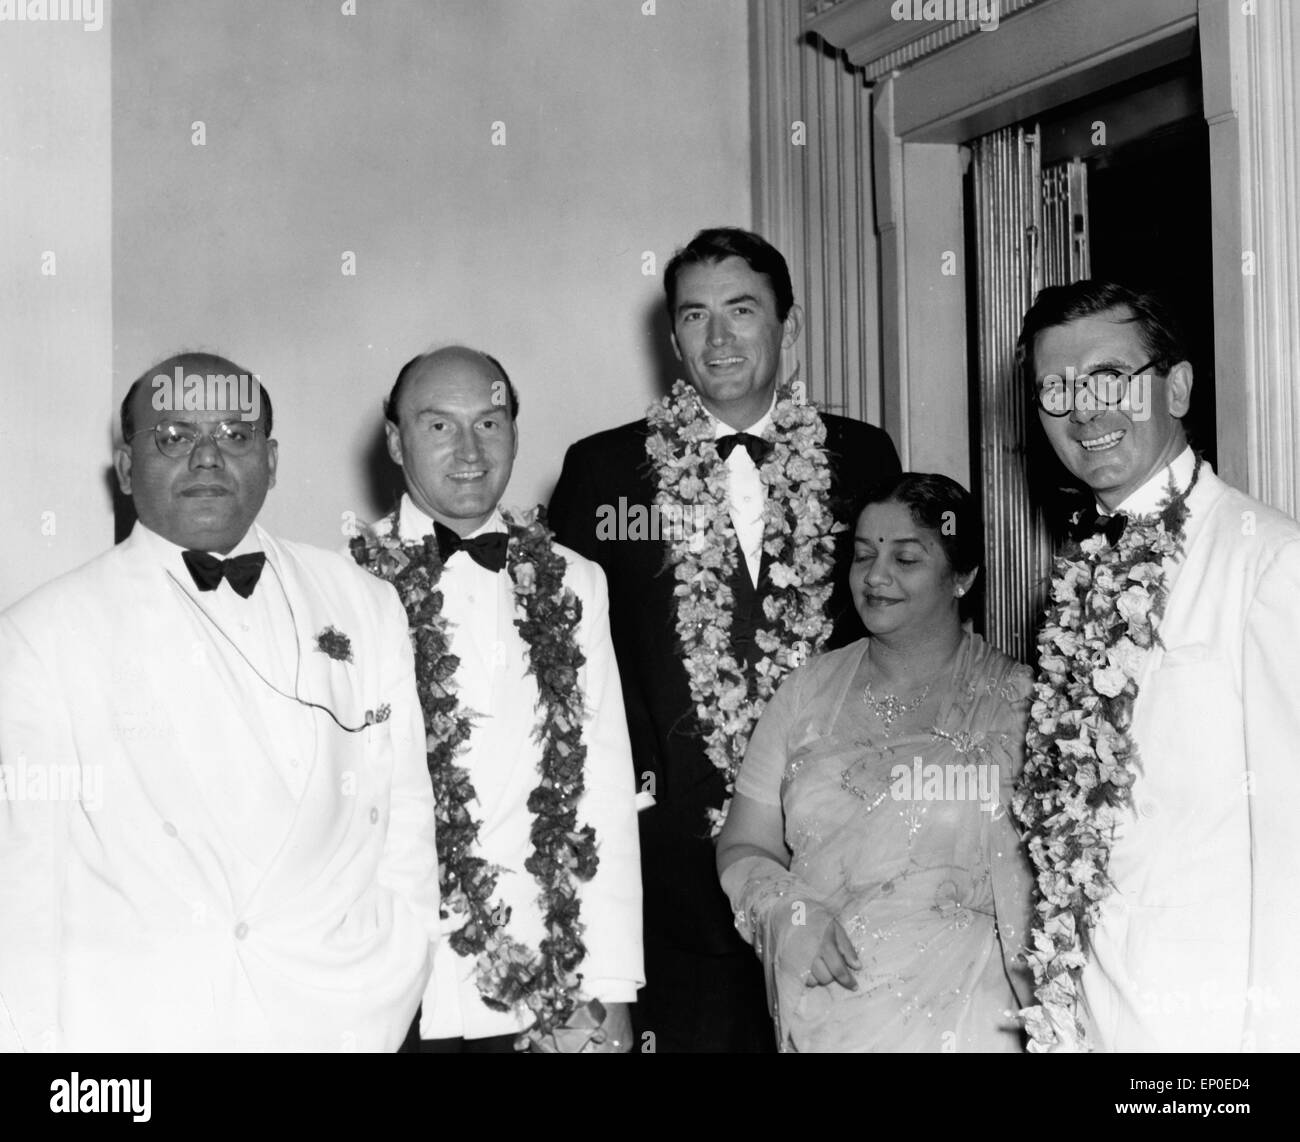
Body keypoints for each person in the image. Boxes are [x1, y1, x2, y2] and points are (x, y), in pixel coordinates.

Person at [0, 353, 440, 1052]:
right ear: (123, 464)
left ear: (271, 460)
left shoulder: (363, 602)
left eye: (235, 436)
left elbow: (406, 814)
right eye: (174, 437)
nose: (208, 459)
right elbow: (20, 898)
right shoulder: (41, 636)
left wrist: (401, 967)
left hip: (338, 1023)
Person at [549, 227, 901, 1051]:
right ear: (672, 338)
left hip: (837, 851)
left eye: (742, 310)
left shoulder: (861, 455)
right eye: (694, 316)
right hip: (670, 864)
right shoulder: (605, 472)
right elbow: (567, 662)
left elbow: (896, 626)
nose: (719, 337)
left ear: (791, 324)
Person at [1013, 280, 1300, 1052]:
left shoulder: (1269, 563)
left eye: (1110, 379)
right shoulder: (1079, 572)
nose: (1083, 409)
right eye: (1056, 387)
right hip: (1092, 1015)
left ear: (1176, 387)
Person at [351, 346, 643, 1053]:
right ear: (395, 441)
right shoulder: (344, 587)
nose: (470, 450)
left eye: (490, 422)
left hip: (546, 979)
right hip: (394, 984)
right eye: (439, 426)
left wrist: (608, 987)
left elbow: (602, 793)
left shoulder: (577, 582)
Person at [716, 474, 1034, 1052]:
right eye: (863, 556)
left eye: (906, 558)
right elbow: (744, 845)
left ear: (962, 576)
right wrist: (787, 913)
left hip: (973, 1022)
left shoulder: (1021, 707)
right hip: (829, 1017)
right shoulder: (805, 694)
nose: (875, 576)